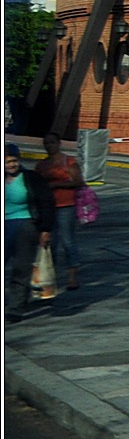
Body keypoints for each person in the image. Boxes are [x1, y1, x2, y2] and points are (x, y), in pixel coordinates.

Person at [5, 143, 55, 321]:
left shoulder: (32, 178)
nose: (11, 165)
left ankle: (15, 308)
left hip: (25, 226)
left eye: (14, 161)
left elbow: (47, 203)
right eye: (7, 162)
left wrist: (45, 229)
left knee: (21, 268)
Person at [33, 132, 84, 292]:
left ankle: (72, 276)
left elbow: (78, 182)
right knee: (49, 244)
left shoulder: (68, 161)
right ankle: (50, 277)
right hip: (47, 208)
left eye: (52, 143)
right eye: (46, 143)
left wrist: (57, 186)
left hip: (66, 205)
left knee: (68, 241)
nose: (49, 146)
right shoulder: (41, 165)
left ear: (59, 143)